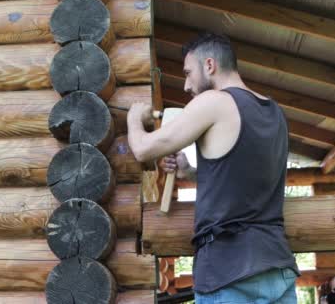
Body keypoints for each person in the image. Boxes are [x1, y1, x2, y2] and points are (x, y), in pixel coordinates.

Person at [127, 32, 299, 303]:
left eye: (188, 73)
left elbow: (142, 148)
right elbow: (246, 180)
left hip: (226, 271)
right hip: (277, 268)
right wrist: (191, 172)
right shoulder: (275, 112)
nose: (186, 85)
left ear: (209, 65)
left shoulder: (214, 102)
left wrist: (134, 119)